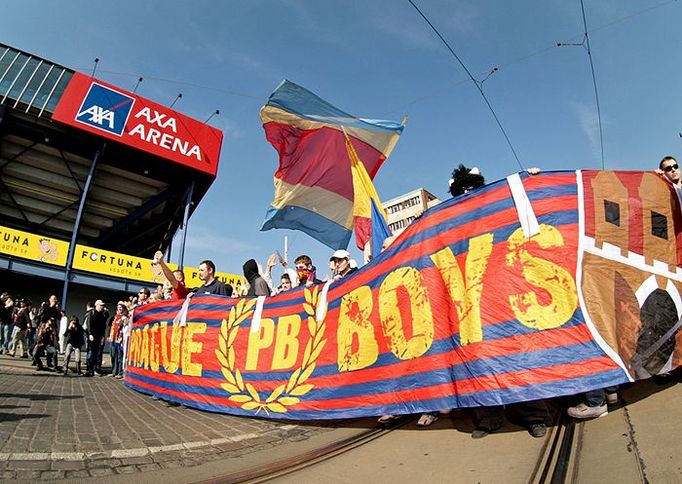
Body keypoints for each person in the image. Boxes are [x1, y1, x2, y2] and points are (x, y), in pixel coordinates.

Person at [86, 300, 108, 377]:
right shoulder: (91, 313)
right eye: (101, 305)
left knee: (97, 354)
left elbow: (103, 327)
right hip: (92, 336)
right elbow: (88, 324)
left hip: (99, 336)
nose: (102, 307)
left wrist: (102, 337)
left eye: (103, 306)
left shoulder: (103, 315)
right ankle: (89, 369)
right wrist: (89, 334)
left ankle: (96, 369)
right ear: (96, 305)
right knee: (90, 353)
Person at [108, 302, 128, 379]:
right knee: (113, 355)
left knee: (119, 357)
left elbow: (125, 327)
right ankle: (113, 371)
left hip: (119, 339)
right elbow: (111, 327)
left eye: (121, 307)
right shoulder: (115, 317)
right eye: (118, 307)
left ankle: (119, 372)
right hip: (113, 338)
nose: (119, 308)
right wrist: (109, 336)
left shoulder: (124, 317)